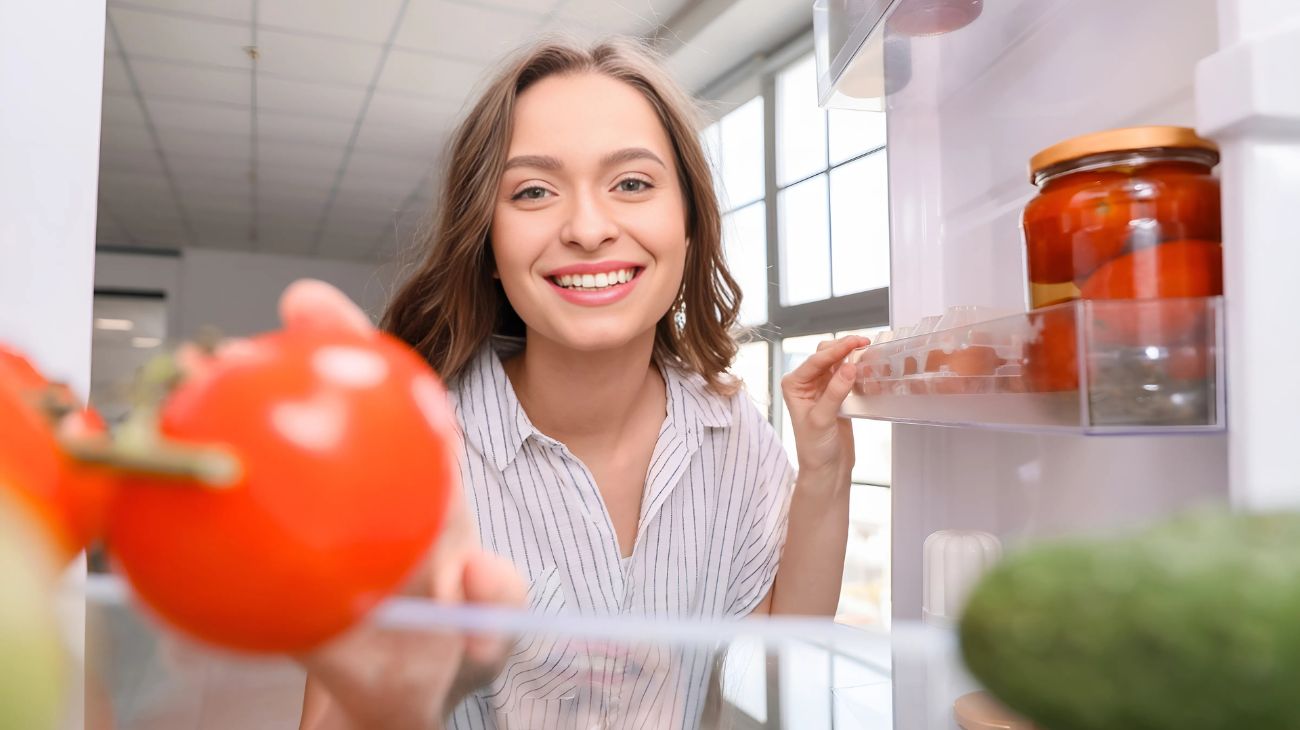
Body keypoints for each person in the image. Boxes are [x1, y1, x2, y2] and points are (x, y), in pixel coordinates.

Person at [295, 35, 869, 729]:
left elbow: (784, 644)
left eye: (632, 183)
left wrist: (825, 470)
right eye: (534, 190)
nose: (589, 229)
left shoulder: (730, 433)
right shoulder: (409, 448)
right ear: (489, 244)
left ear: (687, 224)